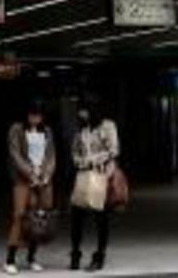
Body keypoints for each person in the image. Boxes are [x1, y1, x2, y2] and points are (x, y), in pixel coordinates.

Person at [4, 100, 56, 275]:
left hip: (43, 179)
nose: (35, 118)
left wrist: (46, 174)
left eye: (39, 115)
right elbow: (15, 154)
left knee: (38, 218)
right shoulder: (17, 129)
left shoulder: (47, 130)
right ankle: (10, 259)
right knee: (19, 216)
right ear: (26, 114)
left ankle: (32, 258)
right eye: (33, 114)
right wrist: (30, 173)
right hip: (23, 179)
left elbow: (51, 156)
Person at [70, 96, 119, 272]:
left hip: (101, 175)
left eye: (83, 110)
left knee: (101, 217)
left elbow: (114, 149)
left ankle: (99, 255)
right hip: (83, 175)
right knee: (76, 215)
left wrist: (93, 159)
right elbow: (74, 151)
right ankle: (75, 253)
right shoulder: (81, 129)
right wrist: (80, 161)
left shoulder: (108, 126)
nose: (80, 113)